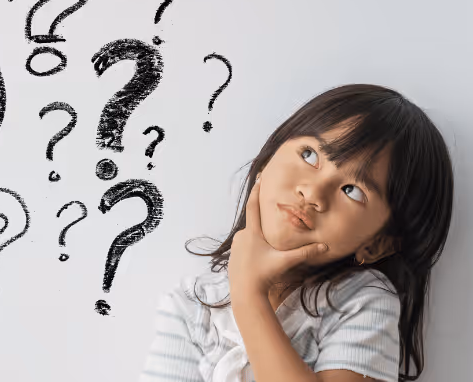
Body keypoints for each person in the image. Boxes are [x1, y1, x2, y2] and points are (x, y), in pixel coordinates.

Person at [139, 84, 454, 382]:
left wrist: (249, 295)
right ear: (268, 160)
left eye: (352, 190)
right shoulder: (192, 306)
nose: (313, 192)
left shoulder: (361, 302)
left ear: (377, 244)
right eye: (309, 155)